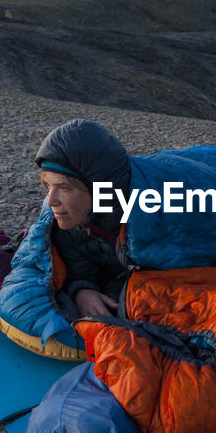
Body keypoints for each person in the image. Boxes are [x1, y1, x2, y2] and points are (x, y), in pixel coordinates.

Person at [34, 119, 132, 319]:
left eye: (65, 188)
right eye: (49, 186)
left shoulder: (145, 220)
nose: (51, 201)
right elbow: (80, 272)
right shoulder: (70, 227)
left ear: (99, 190)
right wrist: (81, 291)